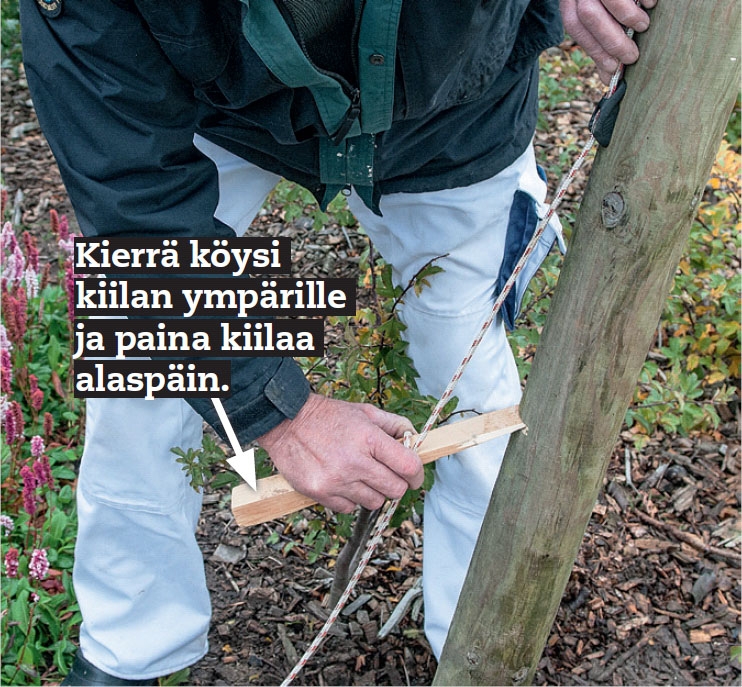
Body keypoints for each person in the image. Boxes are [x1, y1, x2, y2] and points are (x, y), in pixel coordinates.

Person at [19, 0, 656, 683]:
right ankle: (130, 649)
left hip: (451, 113)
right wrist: (284, 415)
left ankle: (480, 652)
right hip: (221, 107)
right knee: (140, 370)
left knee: (468, 385)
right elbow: (135, 199)